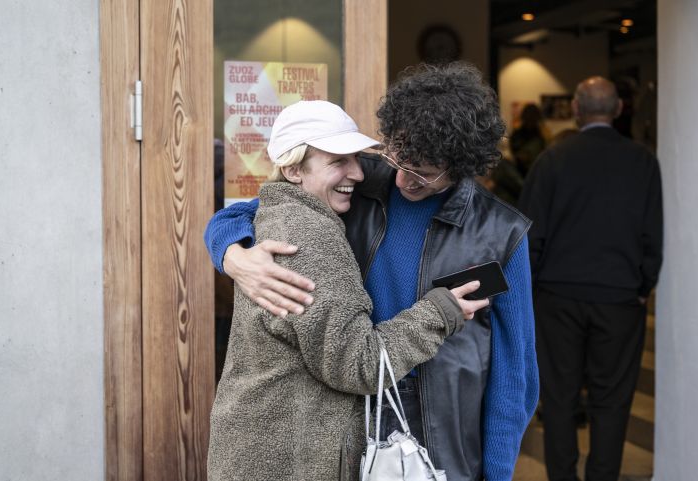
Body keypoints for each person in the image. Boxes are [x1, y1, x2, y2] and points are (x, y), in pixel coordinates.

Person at [204, 62, 539, 481]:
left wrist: (498, 470)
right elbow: (252, 210)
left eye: (424, 172)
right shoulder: (358, 181)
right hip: (355, 403)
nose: (402, 178)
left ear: (459, 167)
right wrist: (232, 256)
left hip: (444, 419)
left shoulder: (500, 232)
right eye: (397, 156)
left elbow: (515, 373)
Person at [517, 76, 663, 481]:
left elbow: (529, 234)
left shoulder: (552, 159)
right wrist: (641, 287)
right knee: (612, 400)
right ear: (618, 110)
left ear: (577, 111)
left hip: (557, 299)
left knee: (559, 398)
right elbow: (653, 234)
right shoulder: (643, 161)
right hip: (619, 298)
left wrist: (535, 289)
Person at [510, 103, 548, 179]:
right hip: (523, 173)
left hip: (533, 172)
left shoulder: (542, 134)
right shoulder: (542, 134)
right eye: (529, 116)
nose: (530, 119)